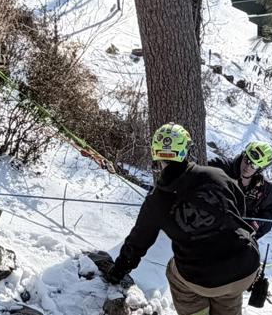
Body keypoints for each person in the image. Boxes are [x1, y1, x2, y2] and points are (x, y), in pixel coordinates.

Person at [105, 124, 260, 315]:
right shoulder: (217, 175)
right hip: (245, 265)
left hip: (199, 276)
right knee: (229, 291)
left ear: (156, 154)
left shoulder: (156, 201)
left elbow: (137, 243)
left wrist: (118, 271)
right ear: (187, 150)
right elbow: (239, 210)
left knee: (174, 271)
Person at [209, 141, 272, 240]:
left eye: (253, 166)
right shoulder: (221, 167)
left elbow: (271, 209)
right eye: (247, 160)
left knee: (267, 224)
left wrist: (257, 223)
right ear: (243, 155)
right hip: (211, 221)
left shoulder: (264, 187)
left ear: (259, 169)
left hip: (239, 229)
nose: (247, 167)